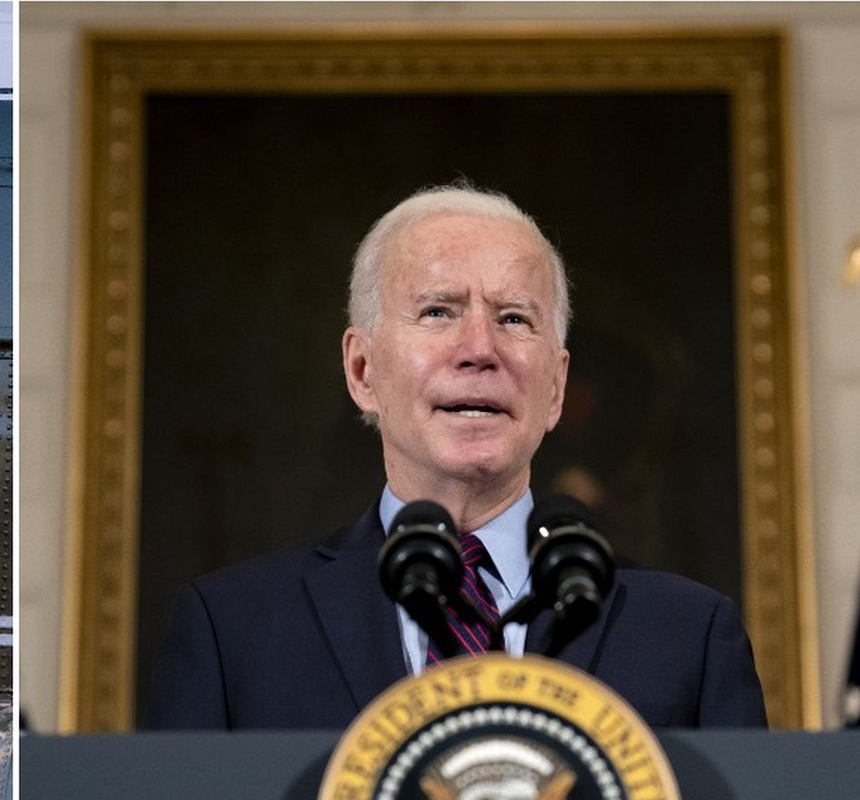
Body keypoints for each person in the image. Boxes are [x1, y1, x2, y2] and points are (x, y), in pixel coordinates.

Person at [144, 183, 767, 731]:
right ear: (362, 371)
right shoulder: (233, 631)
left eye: (515, 318)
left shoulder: (689, 635)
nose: (479, 349)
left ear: (555, 388)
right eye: (438, 312)